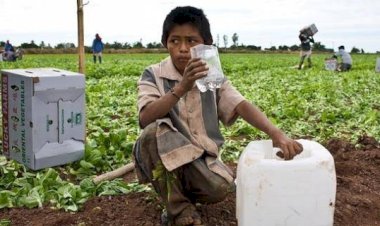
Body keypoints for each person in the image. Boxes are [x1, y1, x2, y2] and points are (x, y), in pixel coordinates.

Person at [132, 6, 303, 226]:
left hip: (200, 159)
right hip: (165, 152)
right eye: (175, 41)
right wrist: (182, 87)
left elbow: (240, 105)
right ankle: (178, 211)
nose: (183, 49)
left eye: (191, 41)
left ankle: (182, 193)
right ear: (166, 42)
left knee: (221, 188)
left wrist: (276, 133)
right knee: (151, 133)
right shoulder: (153, 74)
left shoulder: (211, 76)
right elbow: (145, 117)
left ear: (205, 44)